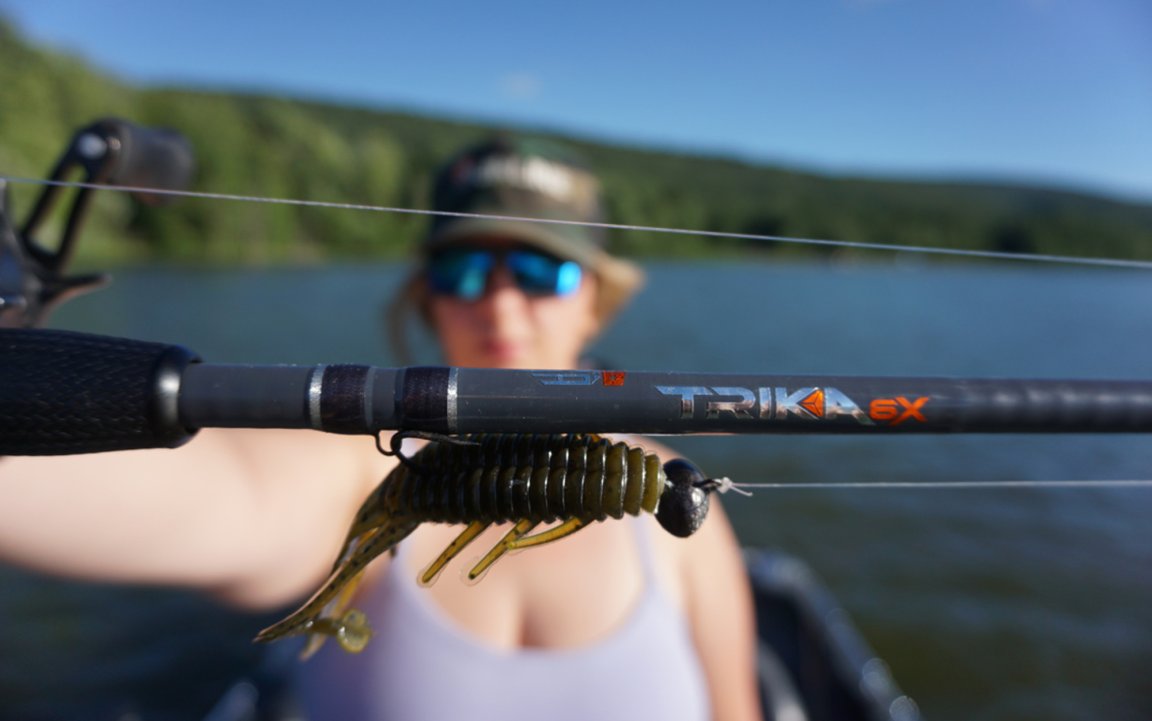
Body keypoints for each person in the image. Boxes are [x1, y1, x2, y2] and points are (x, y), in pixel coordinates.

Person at [0, 135, 762, 720]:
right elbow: (213, 496)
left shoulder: (683, 522)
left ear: (595, 298)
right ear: (429, 301)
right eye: (463, 273)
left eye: (541, 271)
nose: (500, 305)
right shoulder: (359, 477)